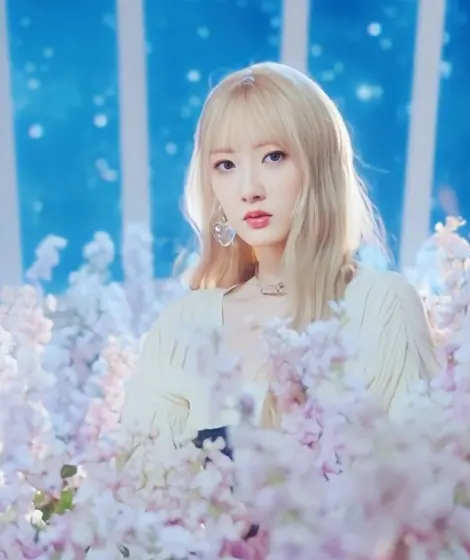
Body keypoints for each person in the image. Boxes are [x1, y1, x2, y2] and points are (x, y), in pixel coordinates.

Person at [119, 61, 440, 468]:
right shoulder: (183, 326)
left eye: (273, 157)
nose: (249, 189)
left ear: (320, 166)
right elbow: (138, 489)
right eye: (226, 165)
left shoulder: (382, 304)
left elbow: (422, 482)